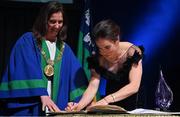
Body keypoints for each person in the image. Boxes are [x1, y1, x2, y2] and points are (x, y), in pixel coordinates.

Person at [0, 1, 87, 116]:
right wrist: (43, 94)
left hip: (57, 106)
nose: (57, 26)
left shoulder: (65, 49)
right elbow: (27, 68)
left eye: (60, 22)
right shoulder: (28, 40)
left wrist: (75, 103)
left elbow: (77, 78)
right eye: (52, 21)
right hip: (33, 106)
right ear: (43, 21)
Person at [66, 19, 144, 111]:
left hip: (134, 103)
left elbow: (134, 86)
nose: (104, 52)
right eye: (100, 48)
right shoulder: (98, 59)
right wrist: (79, 106)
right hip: (111, 105)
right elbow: (93, 86)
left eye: (107, 47)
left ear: (117, 40)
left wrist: (106, 100)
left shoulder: (132, 52)